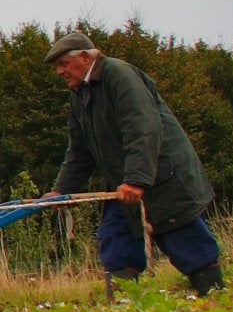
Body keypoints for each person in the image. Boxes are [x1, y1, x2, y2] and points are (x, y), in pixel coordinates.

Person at [40, 32, 222, 294]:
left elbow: (143, 128)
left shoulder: (119, 75)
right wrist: (61, 190)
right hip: (123, 185)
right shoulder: (80, 95)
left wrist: (136, 180)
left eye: (62, 64)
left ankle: (216, 300)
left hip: (161, 177)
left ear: (83, 57)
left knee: (185, 239)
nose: (59, 72)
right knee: (116, 242)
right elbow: (80, 150)